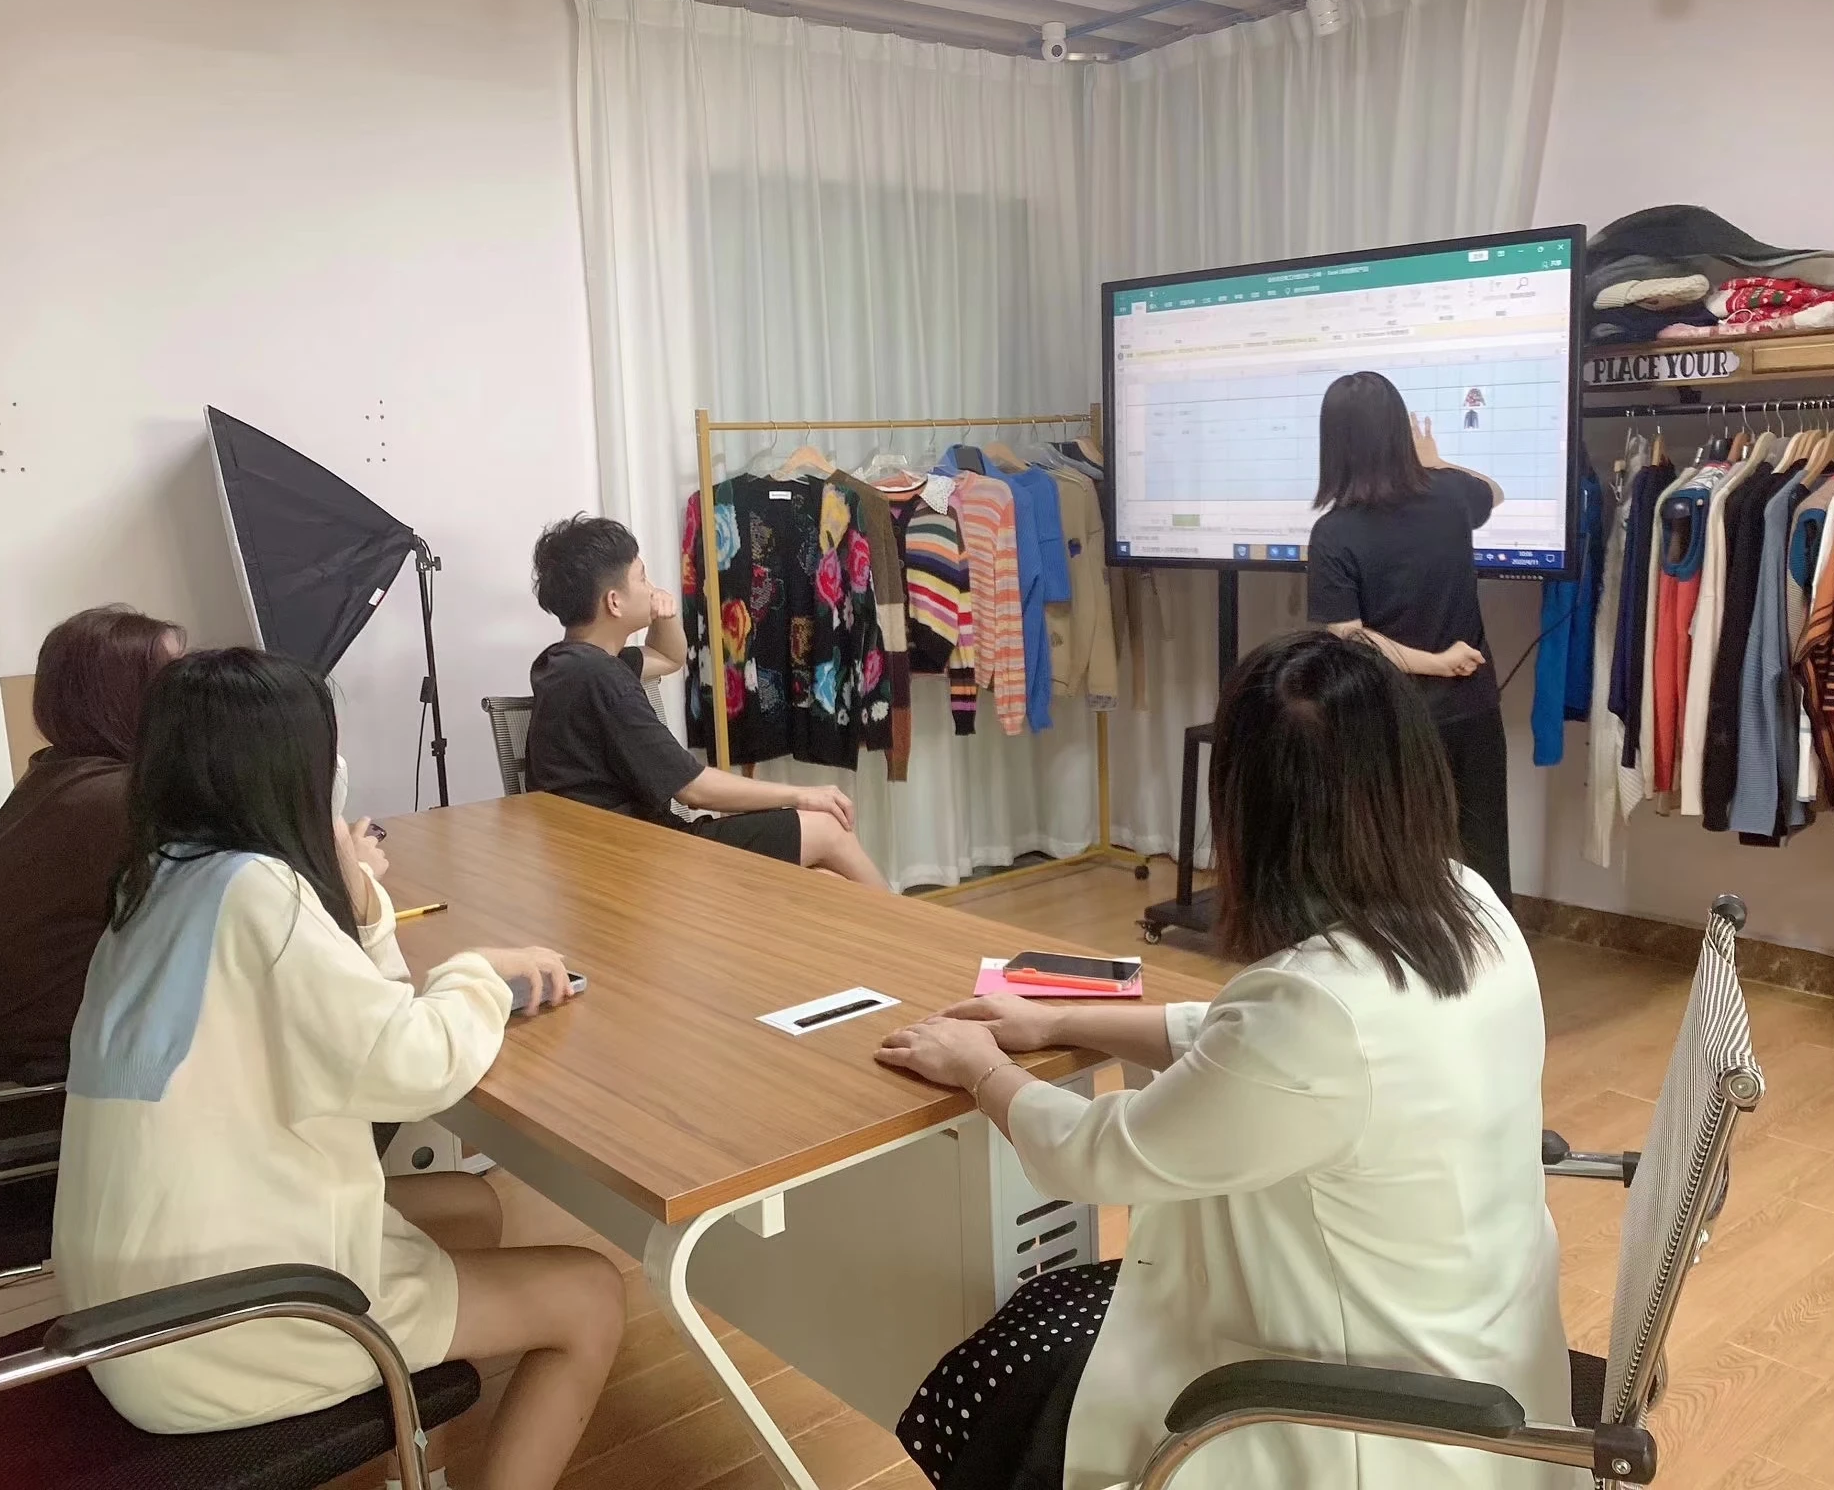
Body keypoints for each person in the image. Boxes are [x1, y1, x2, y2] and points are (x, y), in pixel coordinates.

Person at [876, 632, 1574, 1490]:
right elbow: (1254, 1055)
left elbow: (1099, 1154)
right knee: (1051, 1324)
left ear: (1250, 809)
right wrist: (1063, 1017)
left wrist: (979, 1067)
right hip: (1486, 1366)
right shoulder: (1468, 903)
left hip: (1365, 1417)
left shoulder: (1316, 1009)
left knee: (1002, 1370)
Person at [52, 649, 623, 1490]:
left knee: (468, 1204)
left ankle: (413, 1465)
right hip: (220, 1323)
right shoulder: (259, 891)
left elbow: (364, 1023)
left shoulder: (156, 880)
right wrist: (477, 974)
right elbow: (414, 1065)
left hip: (135, 1297)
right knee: (592, 1294)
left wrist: (357, 900)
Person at [525, 515, 887, 888]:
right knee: (827, 828)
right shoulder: (601, 678)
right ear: (614, 602)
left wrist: (662, 616)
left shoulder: (566, 665)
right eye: (642, 578)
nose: (651, 589)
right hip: (639, 859)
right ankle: (916, 925)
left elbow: (668, 657)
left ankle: (896, 923)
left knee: (829, 880)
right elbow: (693, 789)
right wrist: (801, 794)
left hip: (603, 853)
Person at [0, 605, 186, 1141]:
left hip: (40, 1072)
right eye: (174, 683)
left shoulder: (61, 777)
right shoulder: (113, 802)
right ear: (127, 699)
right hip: (57, 1096)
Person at [1307, 369, 1514, 903]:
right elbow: (1495, 491)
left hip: (1387, 720)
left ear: (1334, 445)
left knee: (1397, 863)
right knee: (1484, 859)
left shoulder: (1333, 532)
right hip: (1471, 708)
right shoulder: (1450, 496)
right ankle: (1496, 954)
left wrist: (1433, 662)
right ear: (1401, 430)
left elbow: (1351, 639)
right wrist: (1437, 464)